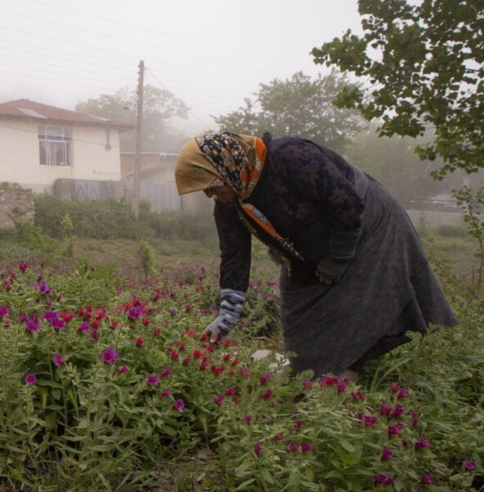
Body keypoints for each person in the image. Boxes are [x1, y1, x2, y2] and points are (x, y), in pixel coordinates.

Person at [174, 132, 458, 381]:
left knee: (360, 298)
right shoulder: (231, 202)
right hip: (304, 251)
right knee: (298, 311)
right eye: (206, 190)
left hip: (365, 227)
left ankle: (344, 375)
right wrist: (227, 314)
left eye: (212, 185)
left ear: (228, 167)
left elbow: (345, 203)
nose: (211, 194)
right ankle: (316, 373)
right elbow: (234, 255)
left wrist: (338, 259)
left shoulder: (290, 156)